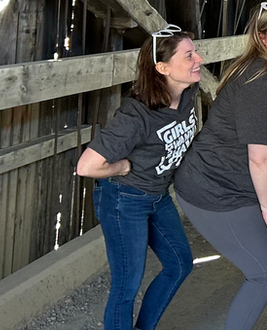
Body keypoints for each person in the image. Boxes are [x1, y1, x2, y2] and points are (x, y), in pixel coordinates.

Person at [174, 0, 267, 330]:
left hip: (243, 188)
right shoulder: (263, 79)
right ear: (263, 37)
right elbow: (261, 156)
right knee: (265, 271)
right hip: (215, 190)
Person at [76, 25, 201, 330]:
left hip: (157, 195)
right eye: (189, 55)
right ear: (162, 67)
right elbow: (86, 166)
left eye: (195, 51)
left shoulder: (188, 93)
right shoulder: (136, 116)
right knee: (126, 286)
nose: (198, 59)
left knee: (180, 264)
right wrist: (120, 167)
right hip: (124, 199)